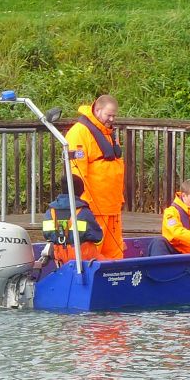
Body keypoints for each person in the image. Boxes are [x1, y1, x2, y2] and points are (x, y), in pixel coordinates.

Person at [64, 94, 125, 260]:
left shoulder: (108, 132)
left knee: (115, 256)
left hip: (112, 208)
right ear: (98, 110)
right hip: (95, 209)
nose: (112, 119)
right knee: (91, 256)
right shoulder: (79, 132)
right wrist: (83, 206)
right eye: (108, 115)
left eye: (114, 115)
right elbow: (77, 173)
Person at [41, 174, 104, 265]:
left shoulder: (50, 212)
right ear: (81, 191)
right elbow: (98, 237)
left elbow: (47, 235)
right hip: (84, 261)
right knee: (106, 262)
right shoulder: (84, 212)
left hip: (60, 261)